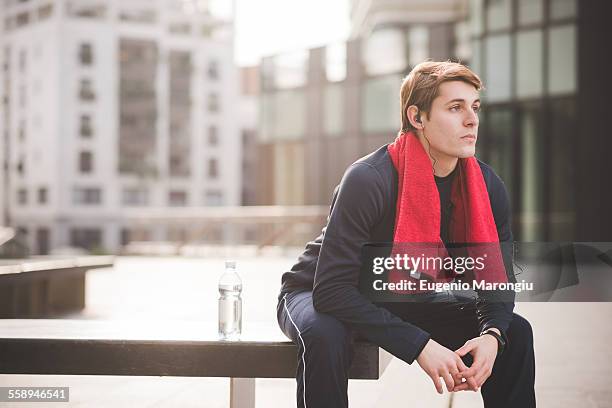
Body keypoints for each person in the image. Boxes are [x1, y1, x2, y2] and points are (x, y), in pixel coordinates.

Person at [276, 60, 536, 408]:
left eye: (474, 107)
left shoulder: (487, 186)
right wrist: (421, 346)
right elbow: (332, 289)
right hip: (318, 290)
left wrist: (492, 335)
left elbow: (496, 280)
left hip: (399, 293)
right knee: (326, 336)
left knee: (515, 332)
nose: (472, 119)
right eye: (455, 108)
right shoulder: (369, 178)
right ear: (417, 118)